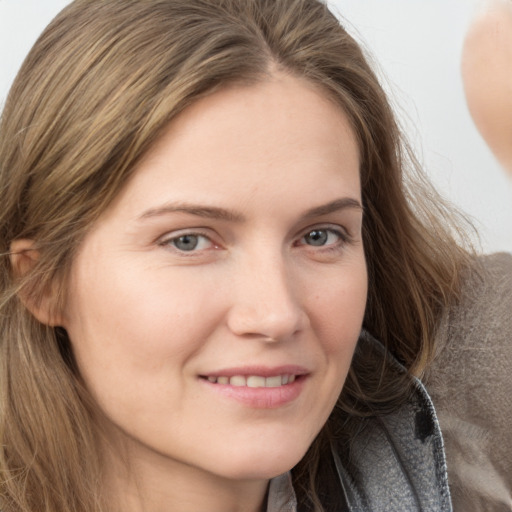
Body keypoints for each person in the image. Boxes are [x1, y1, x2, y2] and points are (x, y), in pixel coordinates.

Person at [0, 1, 510, 511]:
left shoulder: (472, 402)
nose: (276, 315)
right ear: (44, 282)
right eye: (189, 241)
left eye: (319, 236)